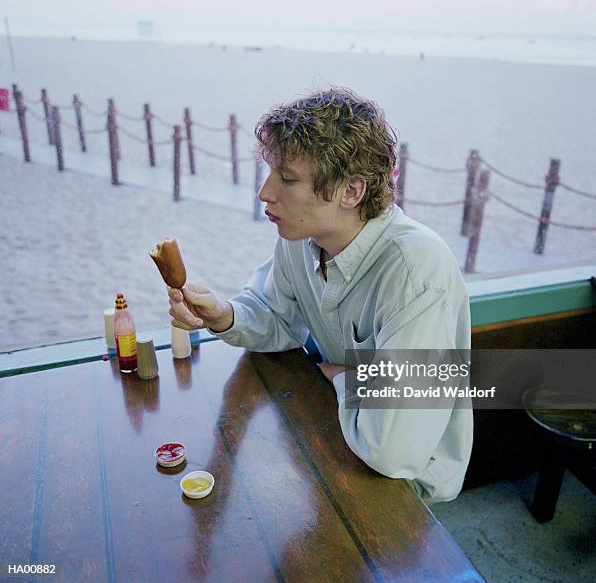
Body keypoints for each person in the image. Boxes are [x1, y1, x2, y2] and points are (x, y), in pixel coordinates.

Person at [168, 87, 472, 503]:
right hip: (342, 429)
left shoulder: (417, 272)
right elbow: (276, 316)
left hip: (408, 482)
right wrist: (222, 315)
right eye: (271, 171)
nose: (265, 193)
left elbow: (393, 452)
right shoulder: (302, 236)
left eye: (288, 178)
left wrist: (345, 378)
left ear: (351, 191)